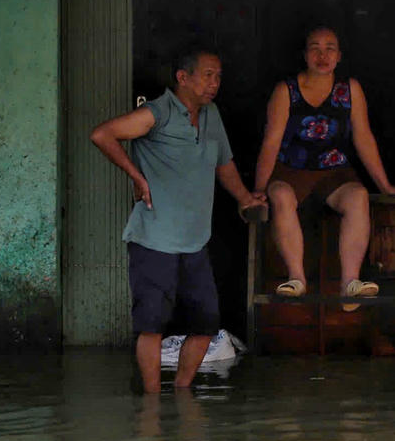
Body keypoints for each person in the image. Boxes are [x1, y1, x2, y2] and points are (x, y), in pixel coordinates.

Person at [90, 46, 265, 394]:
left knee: (205, 325)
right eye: (207, 75)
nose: (214, 83)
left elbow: (223, 164)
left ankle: (183, 394)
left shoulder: (211, 115)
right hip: (153, 239)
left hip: (194, 242)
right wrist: (137, 177)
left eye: (218, 76)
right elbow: (102, 134)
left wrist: (245, 198)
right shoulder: (157, 112)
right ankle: (153, 403)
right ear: (183, 78)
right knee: (151, 326)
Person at [253, 26, 395, 311]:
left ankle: (350, 283)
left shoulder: (350, 89)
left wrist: (384, 185)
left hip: (335, 173)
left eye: (330, 48)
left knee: (358, 196)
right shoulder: (286, 90)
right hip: (290, 170)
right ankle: (296, 278)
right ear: (305, 54)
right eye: (315, 47)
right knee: (281, 197)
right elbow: (271, 142)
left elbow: (363, 138)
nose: (323, 55)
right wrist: (259, 189)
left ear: (339, 56)